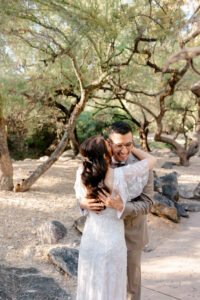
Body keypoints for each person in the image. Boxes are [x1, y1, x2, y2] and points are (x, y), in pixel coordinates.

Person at [75, 133, 156, 300]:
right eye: (111, 146)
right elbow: (151, 160)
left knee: (91, 282)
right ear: (106, 154)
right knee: (113, 284)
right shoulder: (119, 175)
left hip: (91, 238)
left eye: (129, 144)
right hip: (113, 239)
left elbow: (80, 196)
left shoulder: (82, 173)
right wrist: (82, 204)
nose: (121, 149)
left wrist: (83, 203)